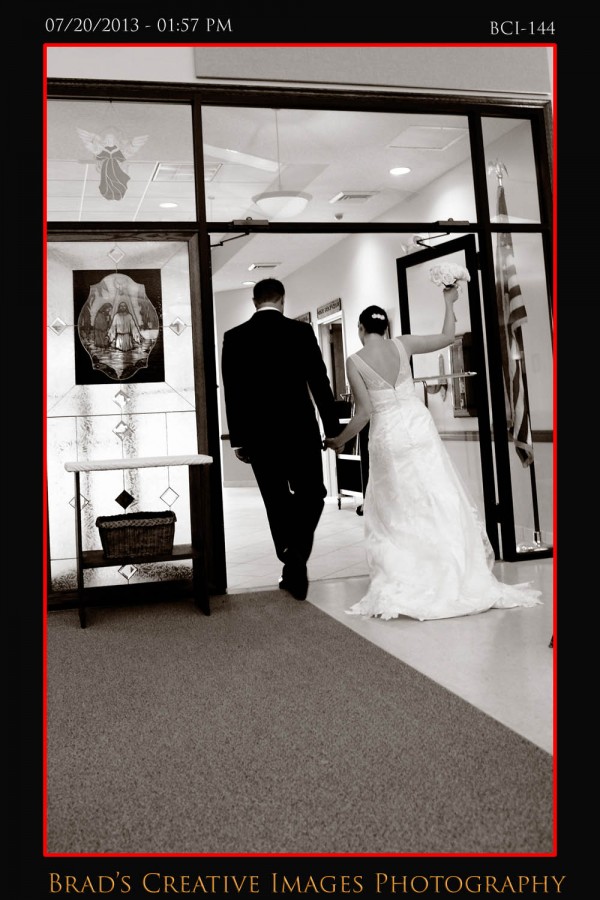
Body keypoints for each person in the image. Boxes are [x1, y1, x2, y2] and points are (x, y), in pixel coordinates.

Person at [324, 290, 542, 621]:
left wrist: (340, 440)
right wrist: (449, 302)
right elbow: (446, 337)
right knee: (435, 495)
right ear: (385, 328)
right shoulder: (403, 344)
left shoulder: (355, 362)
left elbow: (364, 413)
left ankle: (410, 576)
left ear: (360, 329)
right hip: (419, 428)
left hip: (388, 436)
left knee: (396, 506)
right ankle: (452, 570)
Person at [221, 278, 342, 601]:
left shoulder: (235, 337)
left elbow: (233, 393)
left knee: (276, 499)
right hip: (300, 432)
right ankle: (296, 558)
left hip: (259, 437)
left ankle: (292, 557)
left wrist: (238, 439)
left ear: (254, 301)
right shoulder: (301, 332)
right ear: (282, 300)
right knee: (313, 494)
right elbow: (320, 383)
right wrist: (333, 430)